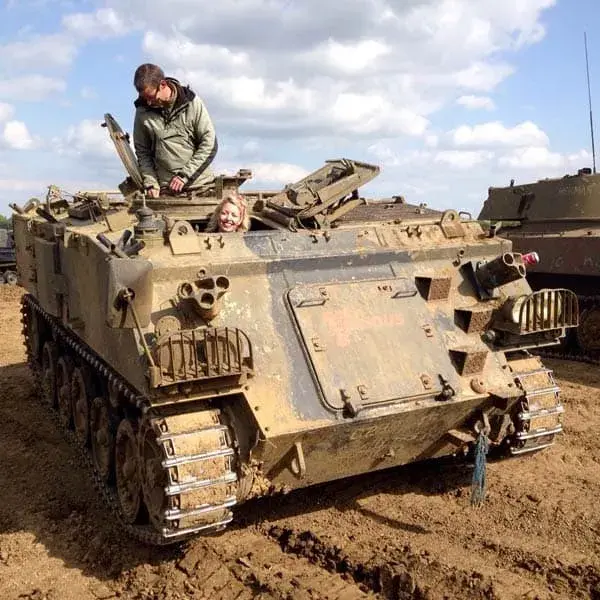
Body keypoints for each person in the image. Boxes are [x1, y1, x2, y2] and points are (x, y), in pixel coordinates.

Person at [132, 63, 218, 197]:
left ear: (163, 85)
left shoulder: (192, 103)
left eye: (151, 97)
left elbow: (209, 143)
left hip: (201, 187)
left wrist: (185, 175)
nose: (148, 102)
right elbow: (143, 152)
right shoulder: (142, 111)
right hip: (166, 191)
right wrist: (151, 182)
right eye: (145, 98)